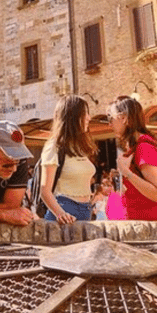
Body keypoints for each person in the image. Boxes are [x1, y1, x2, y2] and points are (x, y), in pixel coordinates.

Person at [107, 95, 157, 220]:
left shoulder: (145, 148)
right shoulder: (136, 148)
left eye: (110, 118)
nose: (109, 124)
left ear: (123, 118)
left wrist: (127, 173)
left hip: (156, 225)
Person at [39, 95, 98, 224]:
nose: (89, 117)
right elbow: (44, 190)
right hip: (65, 209)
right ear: (73, 117)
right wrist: (61, 214)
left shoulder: (80, 146)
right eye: (85, 113)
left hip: (86, 209)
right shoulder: (54, 146)